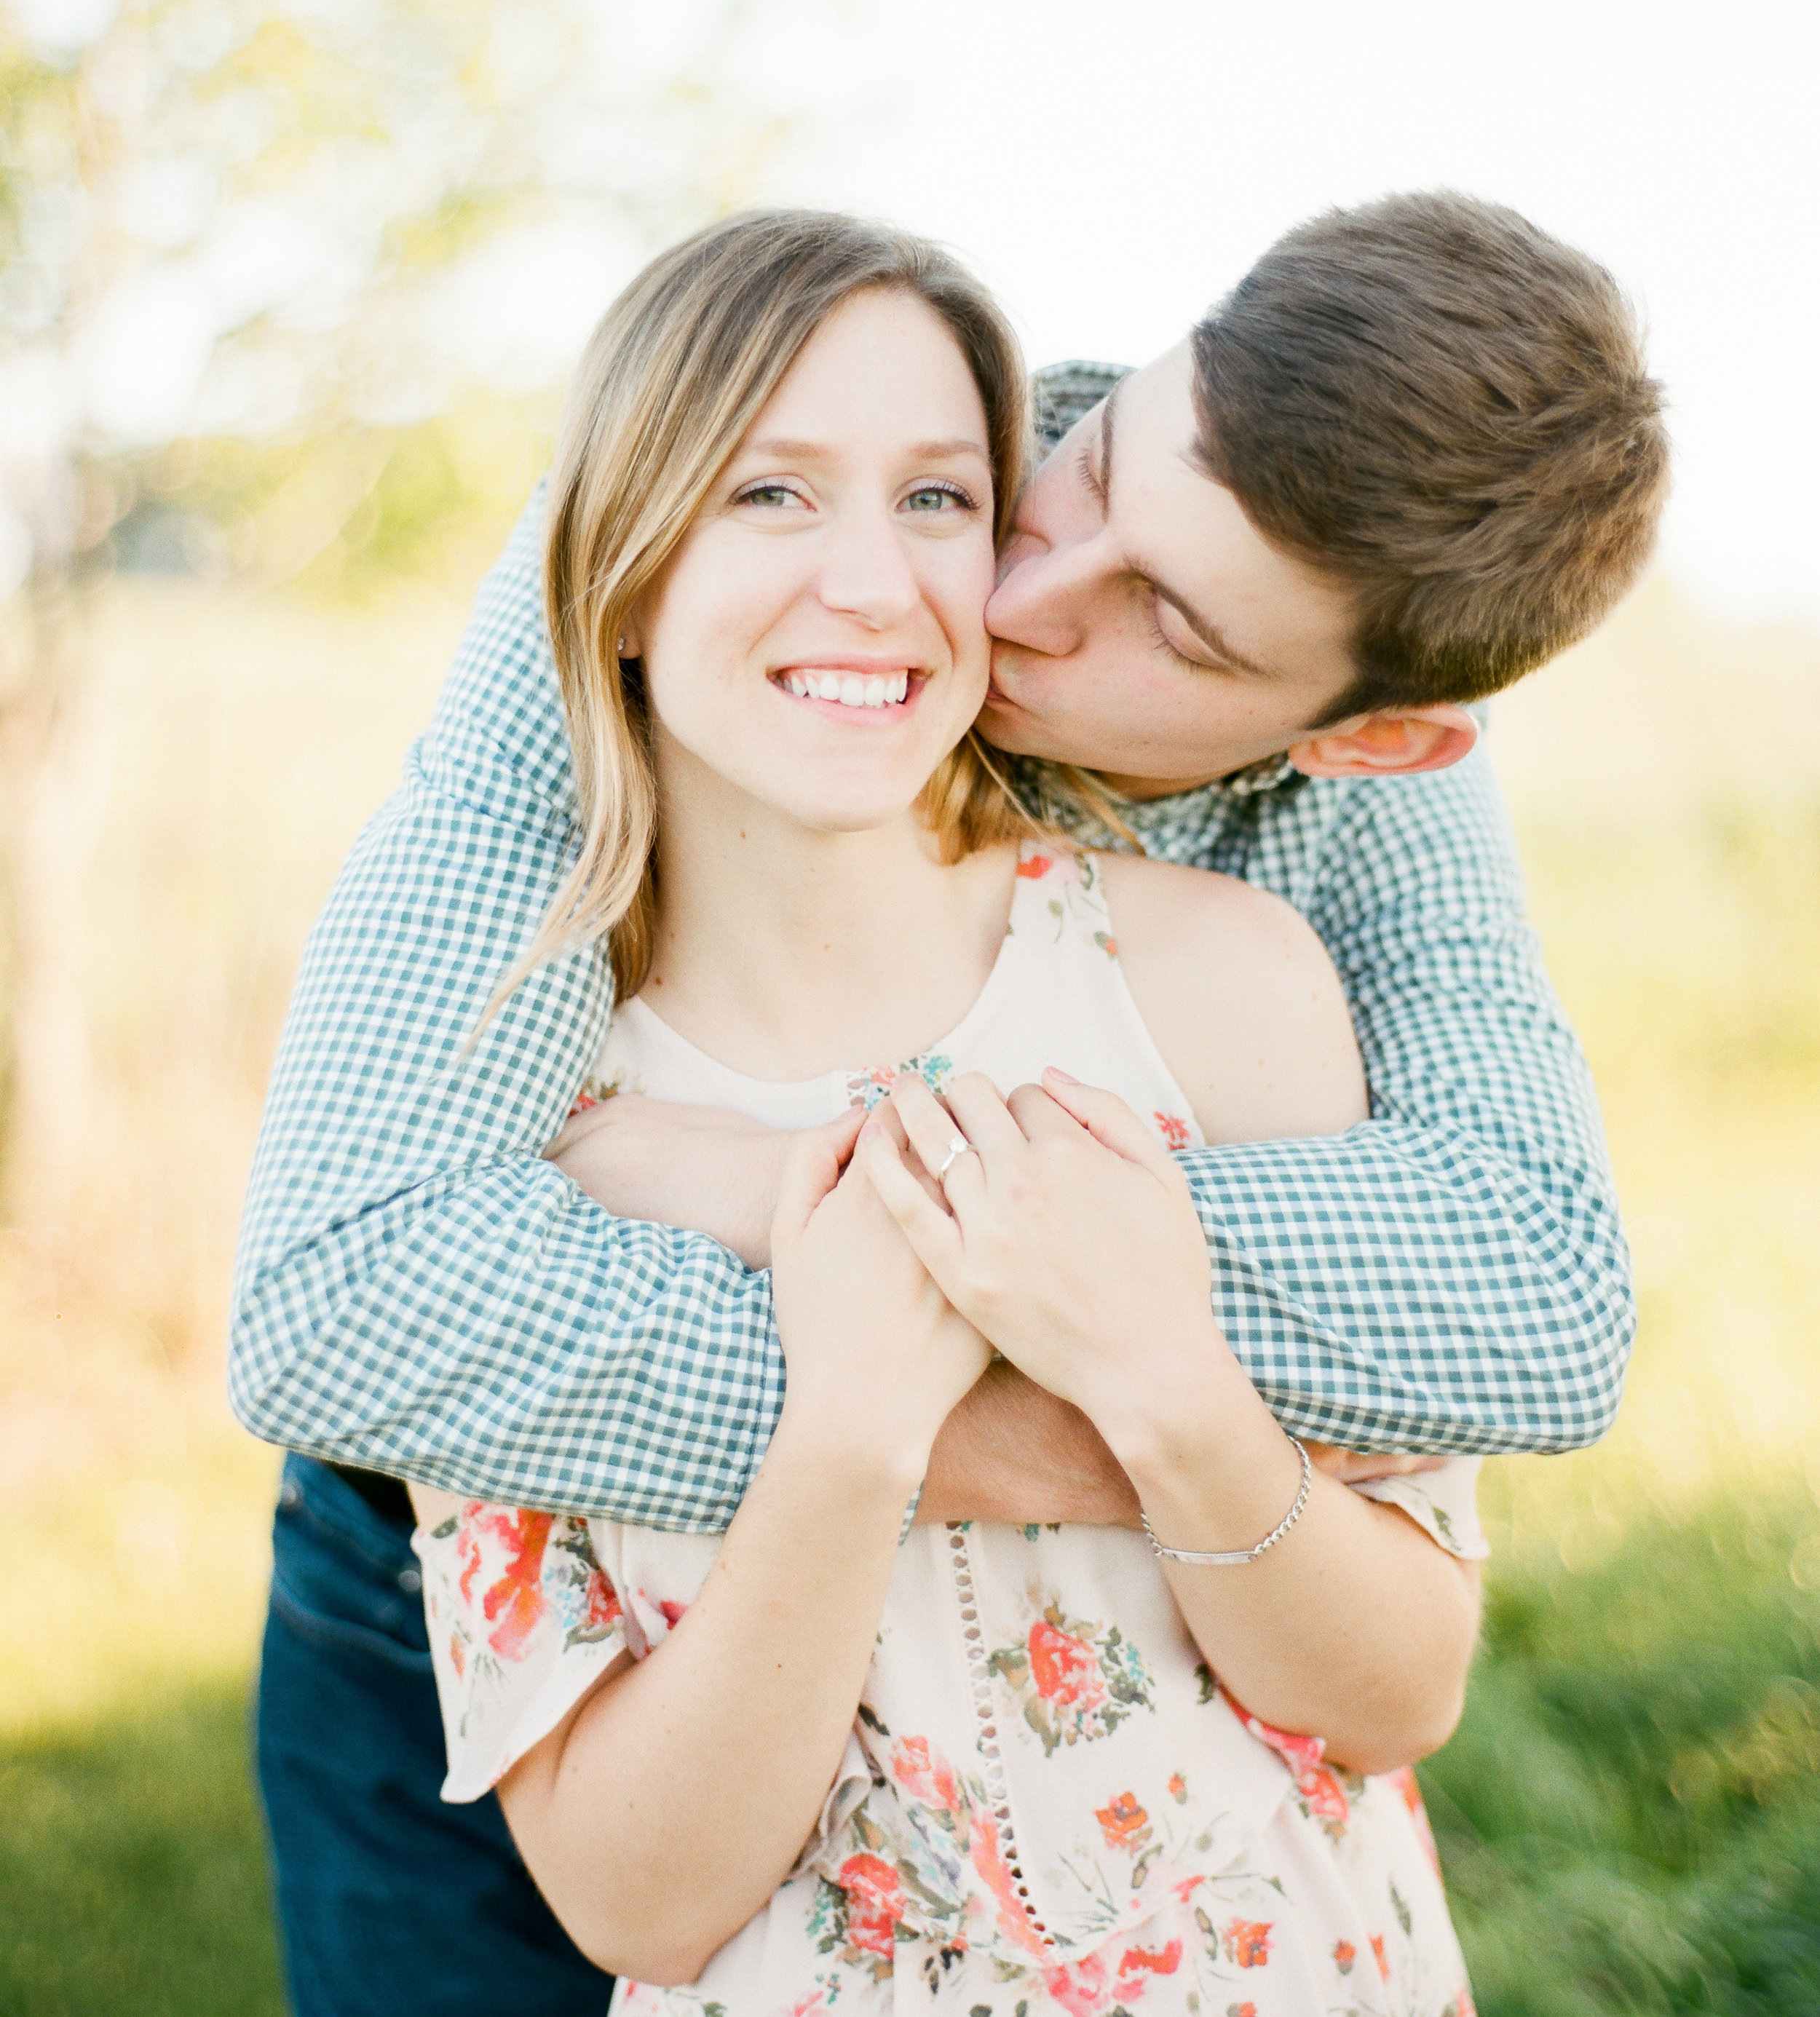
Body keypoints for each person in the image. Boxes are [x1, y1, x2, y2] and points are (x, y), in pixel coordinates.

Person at [235, 194, 1666, 2014]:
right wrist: (1021, 1370)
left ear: (1359, 733)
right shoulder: (729, 562)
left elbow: (1531, 1300)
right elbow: (351, 1297)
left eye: (1169, 619)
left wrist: (805, 1208)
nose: (997, 590)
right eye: (1084, 471)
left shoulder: (1277, 905)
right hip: (496, 1480)